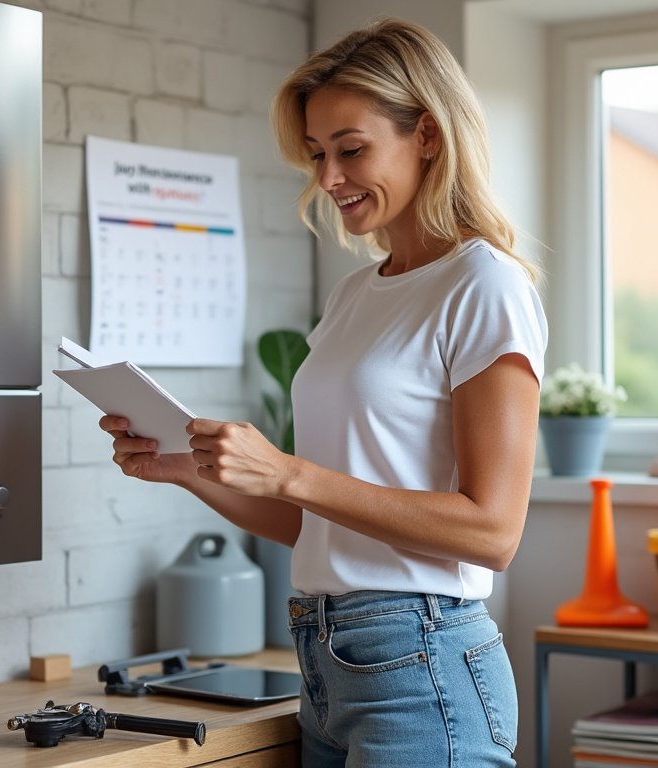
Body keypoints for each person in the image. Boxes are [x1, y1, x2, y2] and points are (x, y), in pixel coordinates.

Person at [100, 17, 547, 768]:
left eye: (351, 150)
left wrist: (288, 470)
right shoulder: (354, 296)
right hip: (325, 660)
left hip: (422, 663)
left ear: (428, 136)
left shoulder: (484, 284)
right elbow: (320, 528)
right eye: (316, 155)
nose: (328, 179)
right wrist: (186, 469)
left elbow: (493, 532)